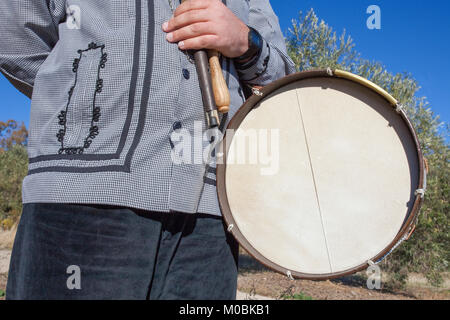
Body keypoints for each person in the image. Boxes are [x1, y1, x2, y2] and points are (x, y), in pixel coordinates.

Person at [0, 0, 295, 299]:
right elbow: (13, 37)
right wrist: (83, 96)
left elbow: (281, 83)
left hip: (211, 216)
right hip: (79, 201)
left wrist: (247, 43)